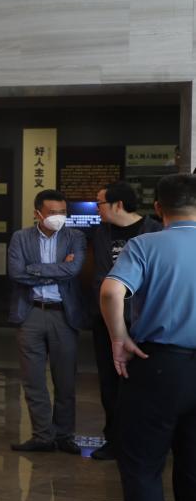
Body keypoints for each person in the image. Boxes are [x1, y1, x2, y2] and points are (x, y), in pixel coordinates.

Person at [100, 174, 196, 501]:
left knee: (142, 465)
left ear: (158, 208)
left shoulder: (145, 244)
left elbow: (111, 292)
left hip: (158, 366)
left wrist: (118, 338)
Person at [7, 190, 86, 454]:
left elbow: (73, 270)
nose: (59, 217)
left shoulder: (75, 237)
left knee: (65, 381)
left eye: (63, 212)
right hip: (30, 312)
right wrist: (58, 270)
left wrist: (34, 268)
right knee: (33, 380)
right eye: (53, 213)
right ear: (38, 214)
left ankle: (64, 435)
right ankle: (42, 436)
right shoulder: (21, 237)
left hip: (63, 314)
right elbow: (16, 273)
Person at [88, 182, 161, 461]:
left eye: (99, 203)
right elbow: (100, 278)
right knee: (109, 382)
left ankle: (144, 442)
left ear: (118, 204)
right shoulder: (100, 233)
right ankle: (114, 440)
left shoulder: (155, 231)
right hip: (107, 321)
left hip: (144, 321)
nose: (96, 209)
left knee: (144, 384)